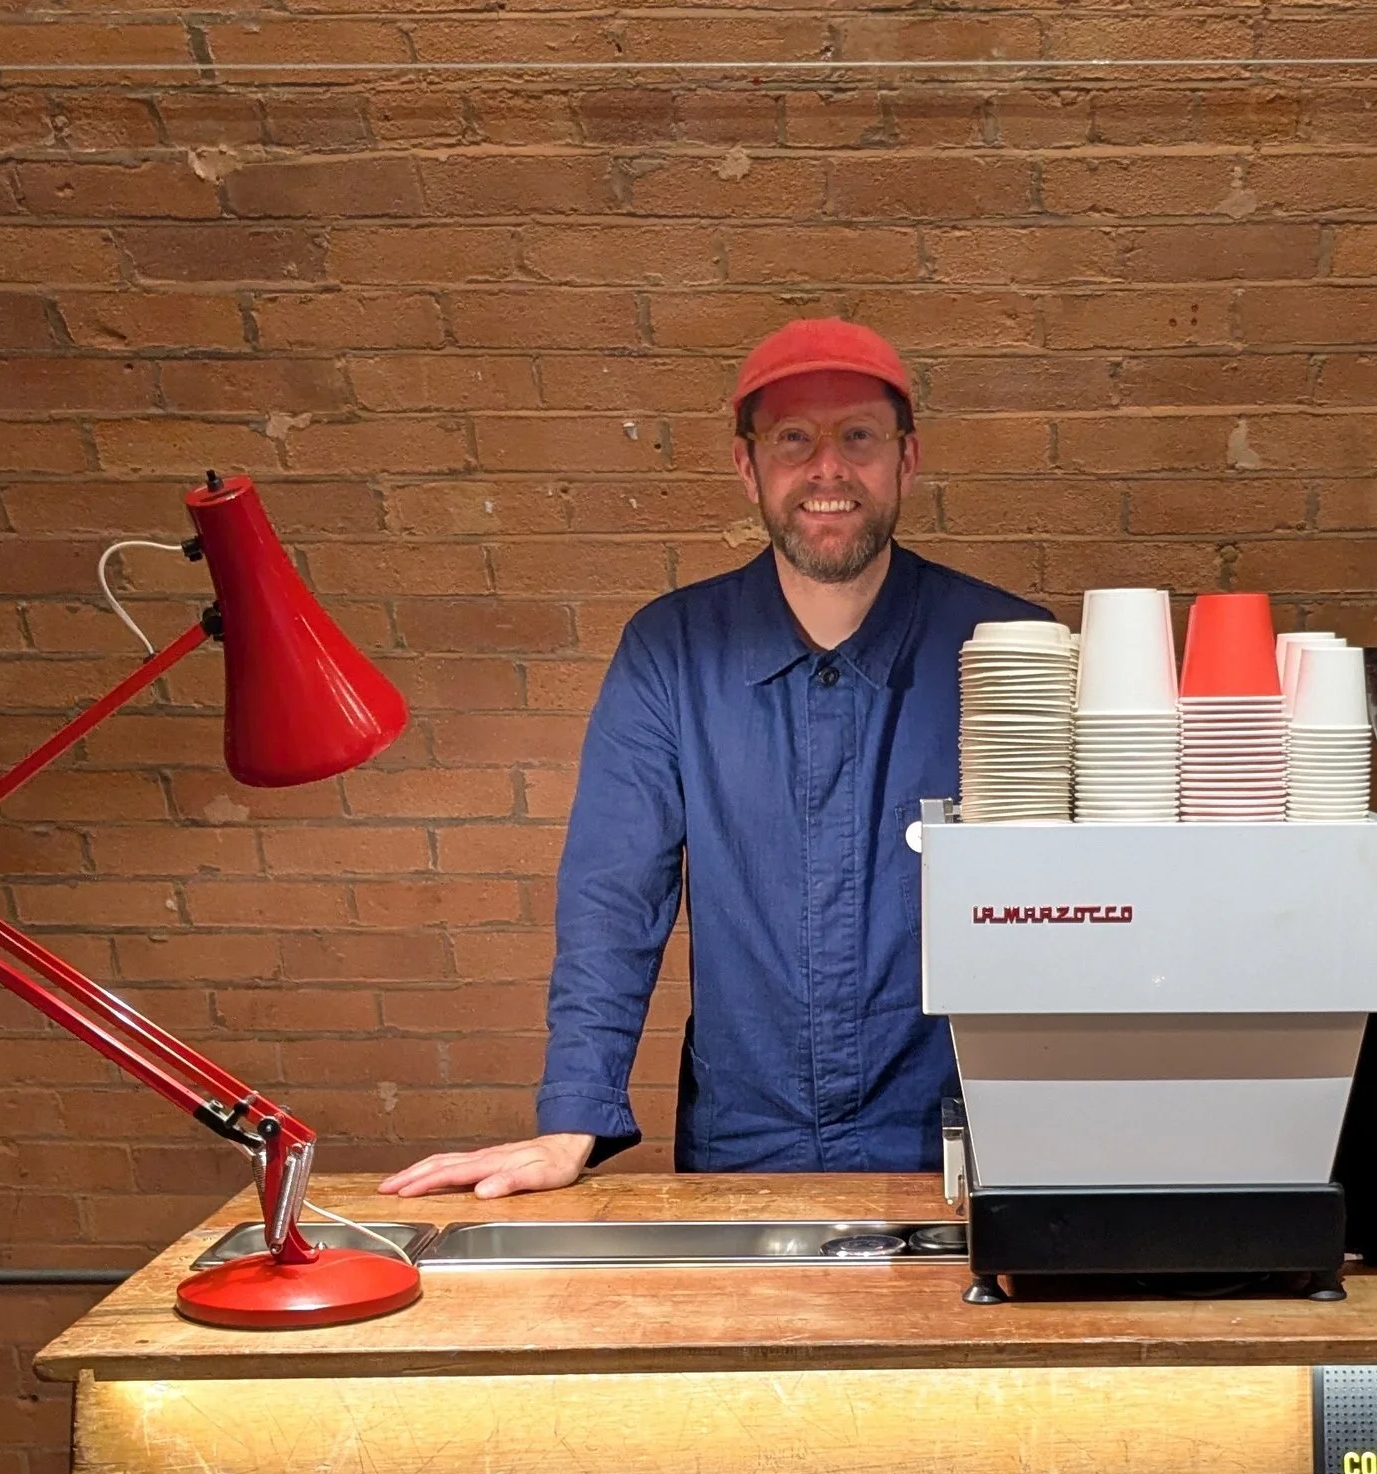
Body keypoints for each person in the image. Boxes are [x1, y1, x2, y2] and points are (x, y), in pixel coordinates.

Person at [381, 318, 1045, 1197]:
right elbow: (615, 896)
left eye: (858, 437)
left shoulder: (1010, 654)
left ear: (906, 460)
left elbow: (1080, 908)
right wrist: (569, 1123)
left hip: (964, 1148)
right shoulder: (673, 652)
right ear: (748, 468)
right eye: (793, 440)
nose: (828, 471)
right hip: (745, 1150)